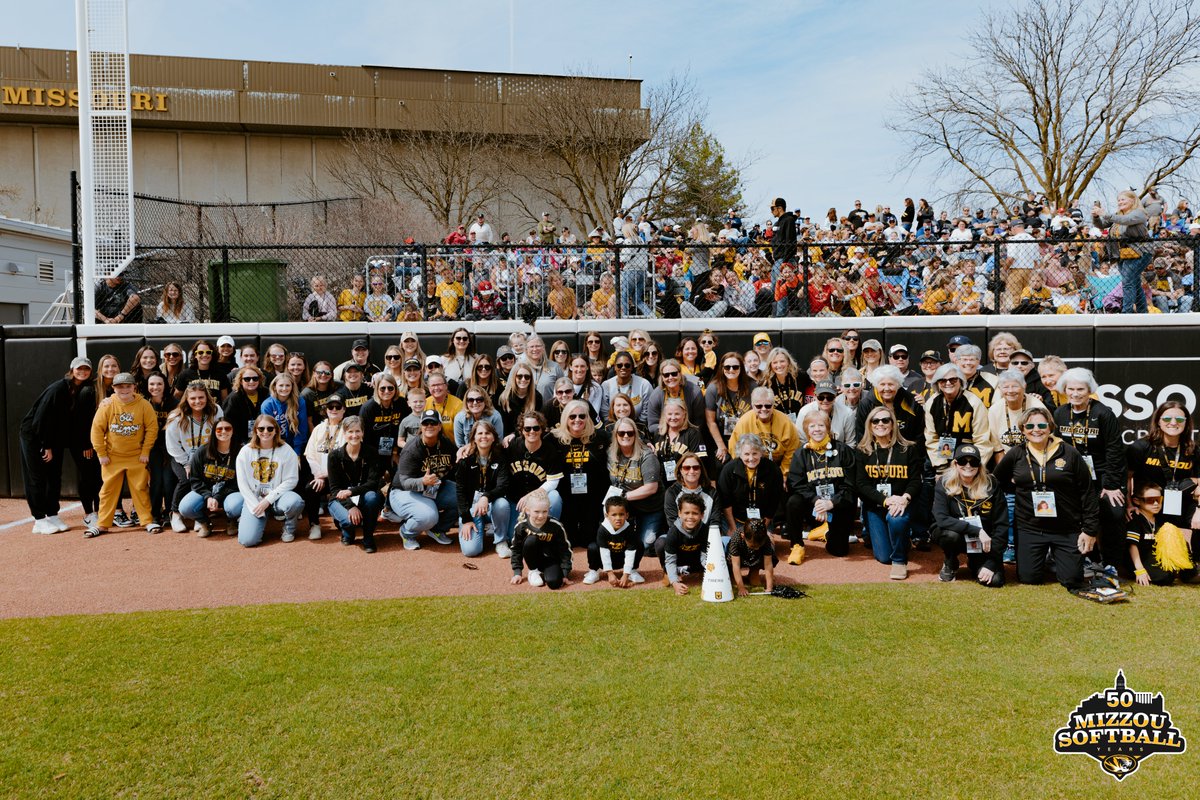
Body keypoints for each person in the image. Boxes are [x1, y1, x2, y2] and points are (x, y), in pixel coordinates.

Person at [993, 408, 1098, 591]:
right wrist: (1018, 488)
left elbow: (1087, 492)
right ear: (1023, 429)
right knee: (1029, 578)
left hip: (1066, 528)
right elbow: (997, 481)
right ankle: (1046, 556)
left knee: (1071, 579)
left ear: (1050, 427)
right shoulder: (1017, 453)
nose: (1036, 430)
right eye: (1030, 426)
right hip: (1030, 527)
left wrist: (1089, 530)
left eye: (1042, 425)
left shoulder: (1069, 453)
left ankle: (1057, 557)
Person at [1052, 367, 1126, 574]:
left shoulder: (1103, 413)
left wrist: (1111, 485)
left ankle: (1111, 562)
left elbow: (1114, 450)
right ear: (1064, 390)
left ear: (1089, 390)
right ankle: (1087, 560)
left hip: (1103, 475)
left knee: (1114, 512)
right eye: (1071, 389)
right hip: (1073, 476)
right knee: (1076, 516)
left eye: (1080, 389)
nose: (1075, 393)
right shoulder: (1060, 413)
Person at [20, 356, 92, 534]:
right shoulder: (58, 388)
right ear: (72, 370)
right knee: (37, 477)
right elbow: (40, 418)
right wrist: (46, 445)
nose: (82, 371)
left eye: (86, 369)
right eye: (79, 368)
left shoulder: (82, 389)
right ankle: (39, 519)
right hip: (35, 435)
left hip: (54, 437)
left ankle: (52, 514)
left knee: (54, 476)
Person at [85, 372, 160, 537]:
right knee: (108, 491)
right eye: (120, 387)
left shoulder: (144, 405)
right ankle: (102, 524)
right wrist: (101, 453)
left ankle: (147, 521)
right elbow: (96, 430)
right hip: (112, 457)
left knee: (140, 489)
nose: (124, 390)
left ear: (134, 387)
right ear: (113, 388)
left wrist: (145, 451)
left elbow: (152, 428)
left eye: (128, 386)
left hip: (136, 456)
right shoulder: (107, 405)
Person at [855, 405, 923, 580]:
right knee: (884, 557)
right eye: (875, 421)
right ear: (869, 425)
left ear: (893, 424)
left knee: (897, 519)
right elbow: (861, 485)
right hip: (876, 506)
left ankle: (900, 561)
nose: (880, 424)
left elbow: (916, 481)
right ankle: (900, 540)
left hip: (901, 504)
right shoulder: (862, 450)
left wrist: (904, 498)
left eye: (885, 420)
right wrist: (886, 501)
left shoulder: (908, 448)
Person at [786, 410, 857, 563]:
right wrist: (816, 500)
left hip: (837, 504)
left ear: (828, 428)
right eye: (812, 426)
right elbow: (796, 484)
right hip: (812, 505)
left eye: (821, 425)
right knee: (793, 502)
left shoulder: (844, 451)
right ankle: (797, 545)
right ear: (806, 430)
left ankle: (826, 532)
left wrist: (832, 503)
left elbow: (850, 485)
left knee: (839, 551)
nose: (817, 429)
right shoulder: (801, 454)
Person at [932, 444, 1008, 586]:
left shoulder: (991, 484)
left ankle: (974, 561)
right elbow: (942, 519)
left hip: (983, 543)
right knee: (950, 536)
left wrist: (991, 563)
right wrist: (977, 530)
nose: (968, 466)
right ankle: (950, 561)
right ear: (955, 464)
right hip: (957, 535)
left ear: (979, 465)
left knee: (995, 581)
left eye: (973, 462)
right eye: (962, 461)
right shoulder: (944, 483)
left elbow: (1001, 525)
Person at [388, 409, 458, 550]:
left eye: (433, 423)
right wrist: (422, 482)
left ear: (439, 426)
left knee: (464, 497)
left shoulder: (446, 444)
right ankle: (407, 533)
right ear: (421, 426)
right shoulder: (412, 448)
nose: (429, 426)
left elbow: (457, 464)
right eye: (426, 423)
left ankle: (437, 529)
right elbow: (404, 482)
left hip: (434, 488)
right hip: (403, 492)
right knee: (429, 516)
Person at [1126, 401, 1200, 533]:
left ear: (1186, 423)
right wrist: (1129, 505)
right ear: (1158, 422)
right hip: (1150, 507)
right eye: (1167, 418)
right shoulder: (1141, 447)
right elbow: (1127, 477)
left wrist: (1199, 510)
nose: (1173, 422)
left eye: (1179, 419)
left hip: (1183, 507)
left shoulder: (1193, 450)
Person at [234, 413, 304, 546]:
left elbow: (291, 480)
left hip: (278, 498)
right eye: (261, 429)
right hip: (255, 499)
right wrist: (255, 505)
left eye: (270, 429)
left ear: (276, 430)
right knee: (247, 541)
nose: (265, 432)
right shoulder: (245, 451)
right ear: (255, 431)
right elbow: (242, 484)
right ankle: (248, 520)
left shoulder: (286, 450)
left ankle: (289, 526)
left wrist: (268, 500)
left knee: (295, 502)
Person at [164, 381, 221, 532]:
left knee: (206, 478)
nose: (197, 402)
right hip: (182, 457)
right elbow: (172, 445)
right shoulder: (176, 416)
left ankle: (198, 515)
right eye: (193, 398)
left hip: (207, 457)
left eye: (201, 397)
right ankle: (175, 513)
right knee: (186, 479)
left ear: (207, 397)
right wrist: (187, 463)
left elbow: (220, 434)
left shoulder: (216, 411)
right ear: (187, 400)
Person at [553, 399, 610, 548]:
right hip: (567, 497)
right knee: (569, 541)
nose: (577, 420)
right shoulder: (555, 439)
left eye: (582, 416)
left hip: (593, 497)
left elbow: (625, 441)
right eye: (572, 417)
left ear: (587, 418)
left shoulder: (600, 437)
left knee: (589, 541)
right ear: (566, 418)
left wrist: (645, 443)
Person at [606, 418, 663, 566]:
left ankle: (661, 532)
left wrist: (623, 497)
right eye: (621, 433)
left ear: (636, 435)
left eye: (630, 433)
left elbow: (651, 488)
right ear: (616, 435)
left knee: (644, 544)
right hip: (627, 508)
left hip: (650, 507)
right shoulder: (611, 454)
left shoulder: (647, 456)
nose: (625, 436)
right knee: (616, 540)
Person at [454, 420, 512, 558]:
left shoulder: (501, 458)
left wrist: (486, 496)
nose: (484, 436)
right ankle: (479, 527)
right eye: (480, 433)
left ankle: (501, 540)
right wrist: (466, 519)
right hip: (472, 509)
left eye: (487, 433)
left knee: (502, 504)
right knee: (471, 551)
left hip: (492, 504)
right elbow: (460, 492)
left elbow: (503, 486)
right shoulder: (465, 460)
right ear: (474, 437)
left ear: (493, 437)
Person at [326, 415, 385, 552]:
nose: (354, 435)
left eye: (357, 431)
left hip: (363, 495)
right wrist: (350, 506)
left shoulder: (371, 452)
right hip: (339, 499)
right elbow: (334, 489)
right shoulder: (334, 456)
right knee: (348, 522)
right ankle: (347, 531)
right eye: (350, 432)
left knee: (372, 497)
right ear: (344, 433)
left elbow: (373, 483)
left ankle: (368, 537)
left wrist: (352, 492)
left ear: (363, 432)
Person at [505, 410, 565, 542]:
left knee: (554, 496)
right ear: (521, 430)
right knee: (515, 538)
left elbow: (553, 482)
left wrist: (530, 496)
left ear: (542, 429)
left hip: (539, 503)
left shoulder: (550, 450)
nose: (532, 431)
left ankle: (549, 534)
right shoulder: (513, 445)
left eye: (536, 428)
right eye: (527, 428)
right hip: (517, 503)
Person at [924, 363, 992, 475]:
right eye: (942, 380)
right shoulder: (932, 403)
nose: (948, 383)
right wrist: (941, 467)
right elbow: (932, 438)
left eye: (953, 380)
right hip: (942, 458)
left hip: (968, 459)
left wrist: (973, 467)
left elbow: (982, 440)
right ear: (937, 383)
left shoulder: (974, 402)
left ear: (960, 381)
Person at [178, 418, 241, 538]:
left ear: (233, 431)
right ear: (214, 432)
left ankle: (231, 520)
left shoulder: (240, 451)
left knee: (235, 506)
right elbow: (195, 479)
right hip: (205, 491)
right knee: (185, 508)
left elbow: (238, 482)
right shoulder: (203, 451)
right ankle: (205, 523)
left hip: (230, 491)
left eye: (227, 428)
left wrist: (217, 496)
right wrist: (208, 496)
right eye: (219, 429)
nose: (223, 431)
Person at [1126, 482, 1197, 586]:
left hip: (1155, 556)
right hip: (1139, 559)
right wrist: (1140, 569)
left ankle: (1190, 573)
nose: (1156, 504)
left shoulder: (1160, 519)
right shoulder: (1135, 518)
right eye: (1150, 500)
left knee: (1178, 539)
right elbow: (1132, 545)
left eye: (1159, 500)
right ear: (1137, 501)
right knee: (1165, 578)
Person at [1093, 190, 1152, 314]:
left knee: (1128, 281)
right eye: (1119, 200)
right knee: (1134, 282)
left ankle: (1126, 312)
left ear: (1132, 200)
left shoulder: (1139, 213)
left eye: (1123, 199)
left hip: (1139, 252)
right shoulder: (1117, 215)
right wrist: (1096, 216)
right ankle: (1142, 311)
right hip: (1121, 254)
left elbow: (1125, 220)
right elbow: (1102, 225)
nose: (1120, 202)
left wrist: (1105, 213)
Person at [508, 489, 573, 589]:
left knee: (555, 584)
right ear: (527, 510)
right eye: (536, 511)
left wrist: (564, 573)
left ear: (548, 510)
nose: (541, 515)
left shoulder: (556, 526)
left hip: (551, 560)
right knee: (531, 540)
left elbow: (565, 550)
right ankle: (533, 571)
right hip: (533, 559)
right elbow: (516, 550)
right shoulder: (521, 527)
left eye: (544, 511)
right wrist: (517, 572)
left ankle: (545, 574)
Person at [729, 387, 800, 475]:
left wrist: (783, 474)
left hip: (778, 466)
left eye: (768, 406)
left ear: (773, 405)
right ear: (752, 405)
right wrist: (747, 471)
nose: (763, 409)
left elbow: (792, 450)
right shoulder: (744, 422)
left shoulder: (785, 422)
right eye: (759, 406)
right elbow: (734, 449)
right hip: (750, 465)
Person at [705, 353, 756, 465]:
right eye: (727, 367)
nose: (731, 370)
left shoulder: (752, 386)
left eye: (735, 367)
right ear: (722, 368)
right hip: (722, 438)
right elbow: (710, 421)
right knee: (720, 463)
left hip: (746, 437)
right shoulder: (713, 388)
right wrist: (721, 446)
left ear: (741, 368)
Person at [656, 492, 710, 596]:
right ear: (679, 513)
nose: (690, 517)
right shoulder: (674, 532)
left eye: (695, 513)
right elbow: (670, 560)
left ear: (702, 515)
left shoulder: (705, 530)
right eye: (686, 513)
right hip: (677, 560)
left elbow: (705, 556)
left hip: (696, 561)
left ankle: (694, 571)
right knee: (660, 543)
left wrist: (711, 572)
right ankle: (669, 573)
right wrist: (675, 583)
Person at [584, 495, 640, 587]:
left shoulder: (629, 529)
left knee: (639, 544)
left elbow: (630, 552)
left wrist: (626, 574)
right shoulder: (603, 529)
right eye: (614, 515)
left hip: (621, 559)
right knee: (592, 547)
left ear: (627, 515)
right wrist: (610, 573)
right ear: (607, 515)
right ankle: (594, 571)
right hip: (605, 560)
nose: (618, 518)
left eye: (621, 514)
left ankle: (632, 571)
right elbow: (604, 552)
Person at [599, 351, 652, 427]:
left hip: (638, 426)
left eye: (627, 365)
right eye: (619, 365)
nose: (623, 368)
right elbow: (605, 413)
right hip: (613, 427)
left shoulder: (644, 385)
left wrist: (636, 427)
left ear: (632, 367)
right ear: (614, 367)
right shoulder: (606, 385)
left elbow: (646, 411)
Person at [728, 519, 777, 596]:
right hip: (738, 558)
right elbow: (736, 565)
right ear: (743, 536)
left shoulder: (765, 539)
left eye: (759, 546)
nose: (757, 548)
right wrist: (741, 588)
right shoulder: (736, 538)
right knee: (732, 583)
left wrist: (769, 587)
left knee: (755, 582)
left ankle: (753, 571)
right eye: (753, 546)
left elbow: (768, 564)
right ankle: (730, 574)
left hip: (755, 558)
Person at [223, 366, 266, 447]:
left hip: (264, 437)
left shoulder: (265, 393)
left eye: (255, 378)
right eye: (247, 379)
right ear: (241, 381)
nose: (251, 381)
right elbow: (228, 422)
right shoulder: (234, 398)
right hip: (241, 442)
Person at [495, 364, 540, 441]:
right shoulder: (505, 398)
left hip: (530, 436)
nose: (523, 379)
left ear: (530, 379)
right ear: (514, 378)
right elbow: (504, 425)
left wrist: (515, 434)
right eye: (519, 376)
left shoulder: (537, 397)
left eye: (527, 377)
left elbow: (537, 424)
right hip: (509, 438)